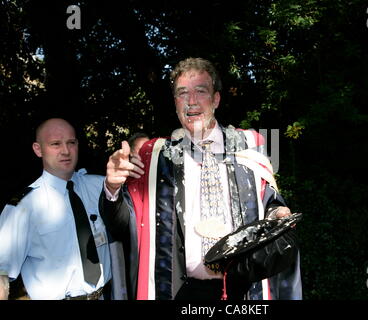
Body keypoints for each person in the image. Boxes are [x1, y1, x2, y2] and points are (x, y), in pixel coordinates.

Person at [100, 58, 302, 300]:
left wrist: (278, 214)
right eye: (182, 93)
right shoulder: (155, 157)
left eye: (200, 91)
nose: (191, 101)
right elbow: (124, 225)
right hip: (182, 291)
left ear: (216, 99)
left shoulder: (250, 146)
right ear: (175, 103)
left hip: (243, 289)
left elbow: (270, 204)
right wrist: (112, 188)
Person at [0, 118, 126, 300]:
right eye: (55, 144)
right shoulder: (23, 207)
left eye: (71, 143)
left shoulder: (100, 186)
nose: (66, 151)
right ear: (38, 149)